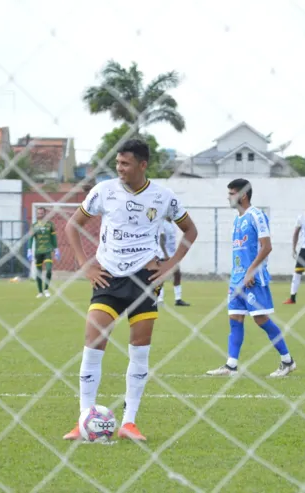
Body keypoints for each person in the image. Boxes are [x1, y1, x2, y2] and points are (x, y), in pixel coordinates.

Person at [63, 138, 198, 441]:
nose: (119, 169)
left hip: (144, 279)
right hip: (108, 277)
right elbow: (73, 225)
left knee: (139, 350)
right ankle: (84, 419)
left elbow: (190, 230)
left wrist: (170, 265)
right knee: (93, 341)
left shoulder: (164, 197)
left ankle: (129, 422)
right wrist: (85, 264)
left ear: (142, 164)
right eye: (118, 163)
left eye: (125, 163)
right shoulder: (103, 191)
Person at [206, 178, 296, 378]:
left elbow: (267, 246)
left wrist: (251, 271)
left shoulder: (256, 215)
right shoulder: (238, 219)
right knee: (235, 319)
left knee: (261, 319)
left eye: (231, 193)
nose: (228, 197)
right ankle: (231, 365)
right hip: (237, 279)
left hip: (253, 278)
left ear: (242, 195)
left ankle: (287, 361)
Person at [27, 207, 61, 298]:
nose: (40, 215)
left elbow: (53, 238)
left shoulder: (50, 225)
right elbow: (30, 239)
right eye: (38, 213)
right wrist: (29, 250)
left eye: (42, 213)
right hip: (38, 252)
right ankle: (40, 292)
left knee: (49, 270)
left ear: (45, 214)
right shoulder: (34, 226)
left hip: (47, 251)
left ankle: (46, 289)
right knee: (38, 272)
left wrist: (56, 249)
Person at [157, 217, 191, 307]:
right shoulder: (163, 223)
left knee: (177, 274)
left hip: (172, 254)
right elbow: (161, 239)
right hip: (164, 255)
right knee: (162, 277)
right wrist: (165, 254)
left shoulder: (171, 224)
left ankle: (178, 299)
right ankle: (159, 299)